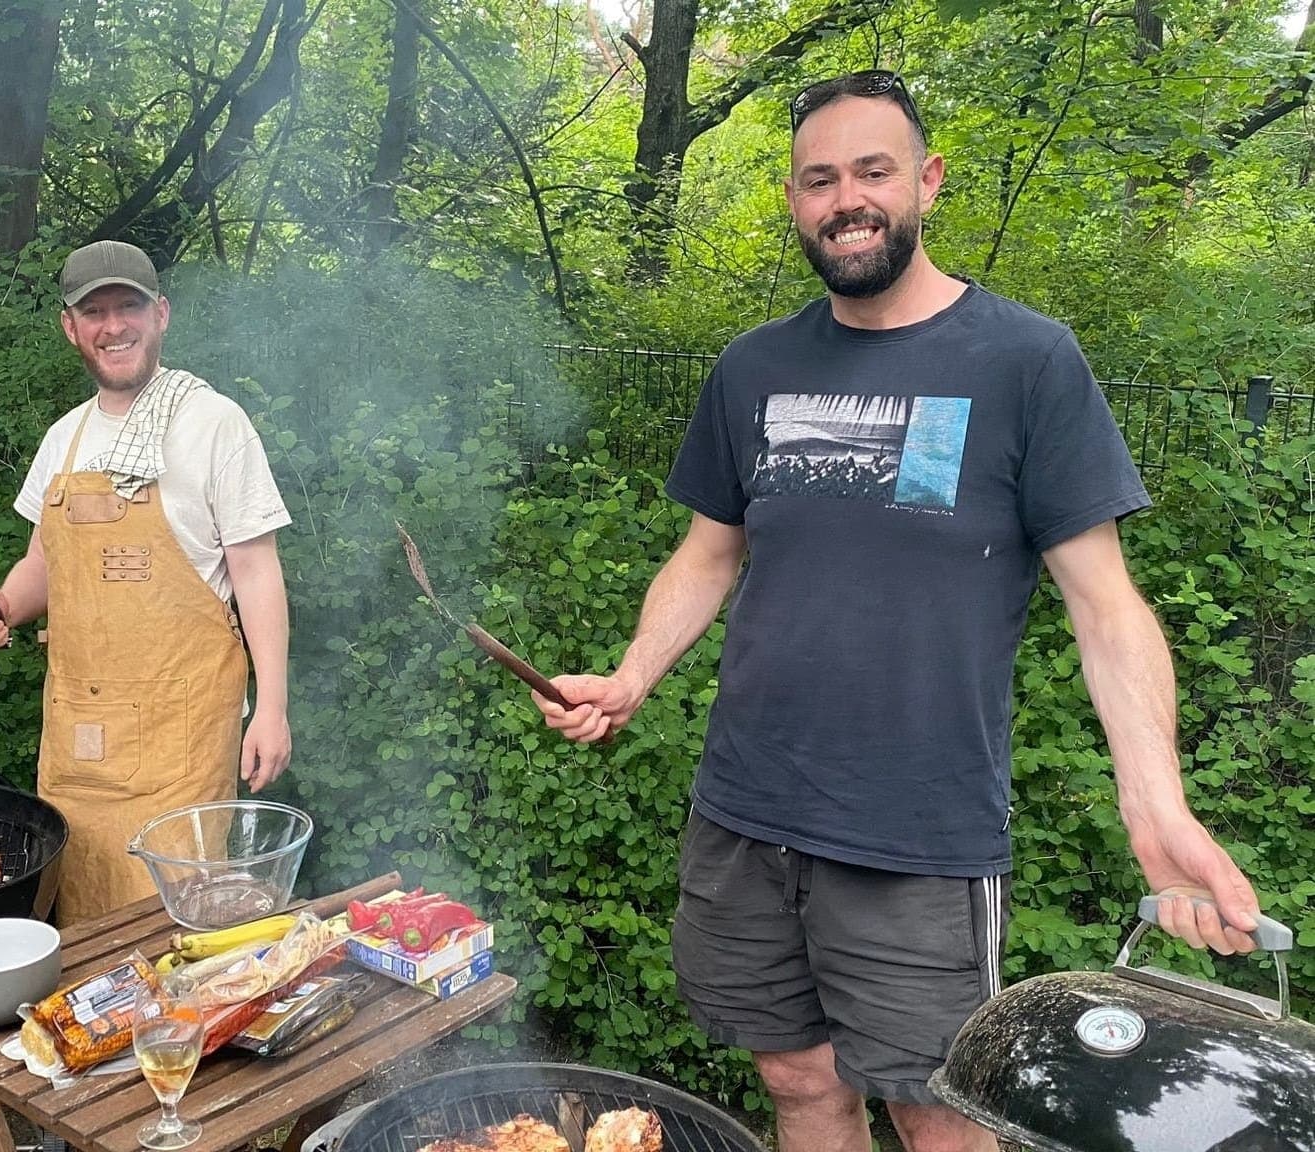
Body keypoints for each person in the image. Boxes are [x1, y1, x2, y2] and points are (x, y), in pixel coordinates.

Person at [533, 72, 1265, 1152]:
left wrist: (1153, 808)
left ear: (925, 182)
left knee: (940, 1109)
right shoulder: (753, 368)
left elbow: (1106, 606)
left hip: (916, 830)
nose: (848, 199)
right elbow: (708, 552)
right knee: (794, 1079)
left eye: (874, 171)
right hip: (744, 809)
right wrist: (634, 674)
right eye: (820, 179)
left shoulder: (1027, 361)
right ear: (792, 200)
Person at [0, 240, 293, 923]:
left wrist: (272, 707)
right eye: (94, 312)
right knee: (82, 926)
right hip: (78, 741)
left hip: (182, 734)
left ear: (161, 313)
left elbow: (256, 571)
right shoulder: (65, 439)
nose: (113, 326)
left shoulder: (213, 424)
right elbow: (41, 566)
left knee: (174, 930)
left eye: (128, 306)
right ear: (71, 328)